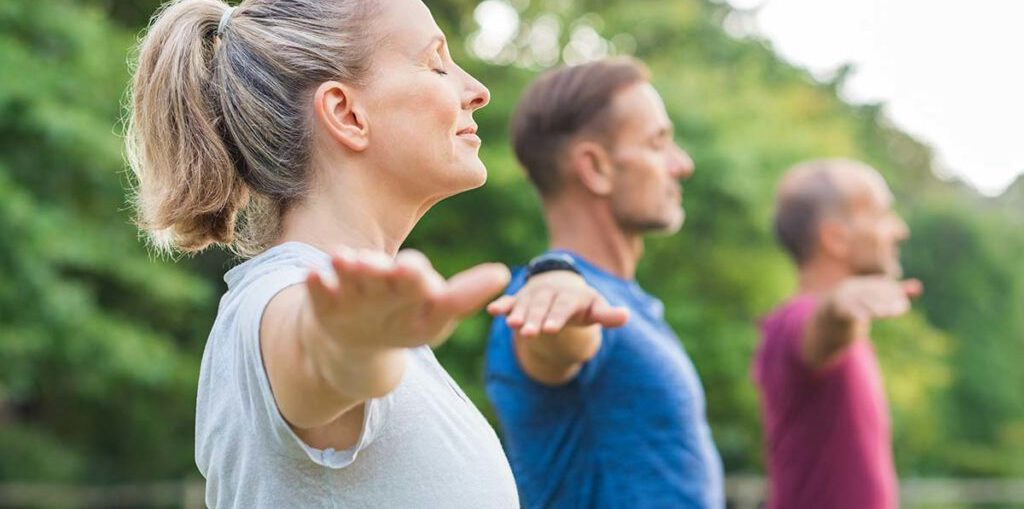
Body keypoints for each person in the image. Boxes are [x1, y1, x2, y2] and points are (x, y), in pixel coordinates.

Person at [125, 0, 522, 506]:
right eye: (436, 62)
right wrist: (352, 344)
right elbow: (315, 353)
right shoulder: (278, 300)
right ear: (346, 113)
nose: (477, 91)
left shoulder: (372, 325)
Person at [485, 58, 725, 509]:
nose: (682, 164)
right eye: (659, 144)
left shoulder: (625, 303)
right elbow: (558, 340)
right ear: (595, 167)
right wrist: (559, 295)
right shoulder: (546, 302)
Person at [753, 159, 922, 509]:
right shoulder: (794, 321)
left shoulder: (848, 333)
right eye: (881, 214)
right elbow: (821, 329)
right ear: (836, 238)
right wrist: (837, 304)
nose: (899, 230)